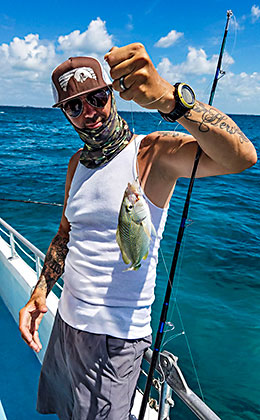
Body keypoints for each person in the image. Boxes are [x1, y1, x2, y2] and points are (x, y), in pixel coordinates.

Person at [19, 43, 257, 420]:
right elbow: (66, 234)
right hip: (66, 322)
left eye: (96, 97)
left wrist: (169, 97)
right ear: (65, 114)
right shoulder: (76, 164)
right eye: (74, 106)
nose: (89, 112)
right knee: (65, 412)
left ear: (111, 94)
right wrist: (40, 291)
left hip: (116, 339)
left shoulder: (153, 152)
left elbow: (241, 156)